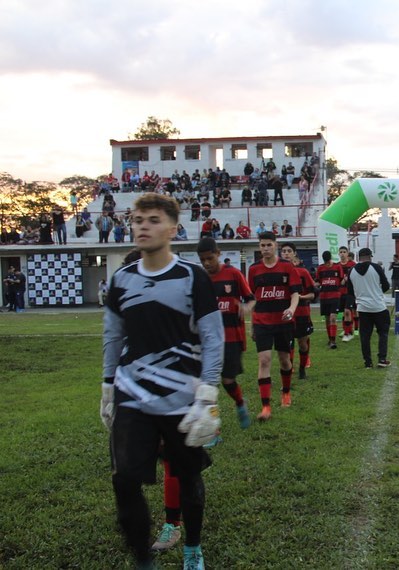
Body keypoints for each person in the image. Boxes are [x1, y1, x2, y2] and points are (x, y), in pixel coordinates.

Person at [101, 193, 223, 569]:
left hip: (182, 395)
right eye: (137, 219)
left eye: (153, 220)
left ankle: (192, 549)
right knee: (125, 481)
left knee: (187, 476)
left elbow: (213, 338)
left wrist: (207, 394)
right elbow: (113, 336)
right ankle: (143, 560)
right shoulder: (121, 280)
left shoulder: (192, 277)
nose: (142, 226)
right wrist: (108, 388)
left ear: (172, 229)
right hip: (132, 394)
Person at [196, 237, 254, 430]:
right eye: (202, 259)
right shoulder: (199, 279)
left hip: (231, 339)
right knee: (208, 386)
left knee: (228, 380)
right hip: (207, 340)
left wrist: (246, 307)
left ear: (218, 254)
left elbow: (251, 299)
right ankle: (213, 429)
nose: (206, 263)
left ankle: (239, 403)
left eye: (210, 258)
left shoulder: (234, 274)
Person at [248, 231, 302, 419]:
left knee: (285, 361)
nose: (265, 249)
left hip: (283, 322)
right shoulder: (253, 269)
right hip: (262, 321)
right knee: (264, 360)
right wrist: (252, 325)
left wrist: (292, 309)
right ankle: (266, 407)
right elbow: (253, 298)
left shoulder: (287, 267)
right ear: (259, 247)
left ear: (275, 246)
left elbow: (295, 292)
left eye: (268, 245)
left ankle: (286, 391)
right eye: (262, 245)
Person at [347, 248, 391, 368]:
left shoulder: (351, 271)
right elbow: (386, 286)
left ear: (358, 257)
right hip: (378, 306)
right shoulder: (376, 268)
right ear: (370, 256)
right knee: (383, 333)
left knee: (365, 336)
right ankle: (382, 359)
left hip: (362, 307)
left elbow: (350, 291)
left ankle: (368, 362)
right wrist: (376, 291)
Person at [281, 243, 315, 379]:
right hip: (285, 315)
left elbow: (312, 294)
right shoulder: (277, 273)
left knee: (302, 343)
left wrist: (300, 297)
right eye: (283, 251)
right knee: (287, 345)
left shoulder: (303, 272)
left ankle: (302, 369)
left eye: (289, 251)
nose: (286, 254)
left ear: (294, 254)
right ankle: (289, 368)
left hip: (302, 314)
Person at [316, 250, 345, 349]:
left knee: (333, 317)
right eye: (326, 262)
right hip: (324, 297)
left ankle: (333, 341)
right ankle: (330, 338)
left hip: (335, 296)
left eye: (328, 262)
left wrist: (345, 280)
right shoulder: (320, 268)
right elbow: (318, 282)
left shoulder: (337, 267)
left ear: (330, 259)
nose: (327, 264)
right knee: (327, 318)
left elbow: (342, 281)